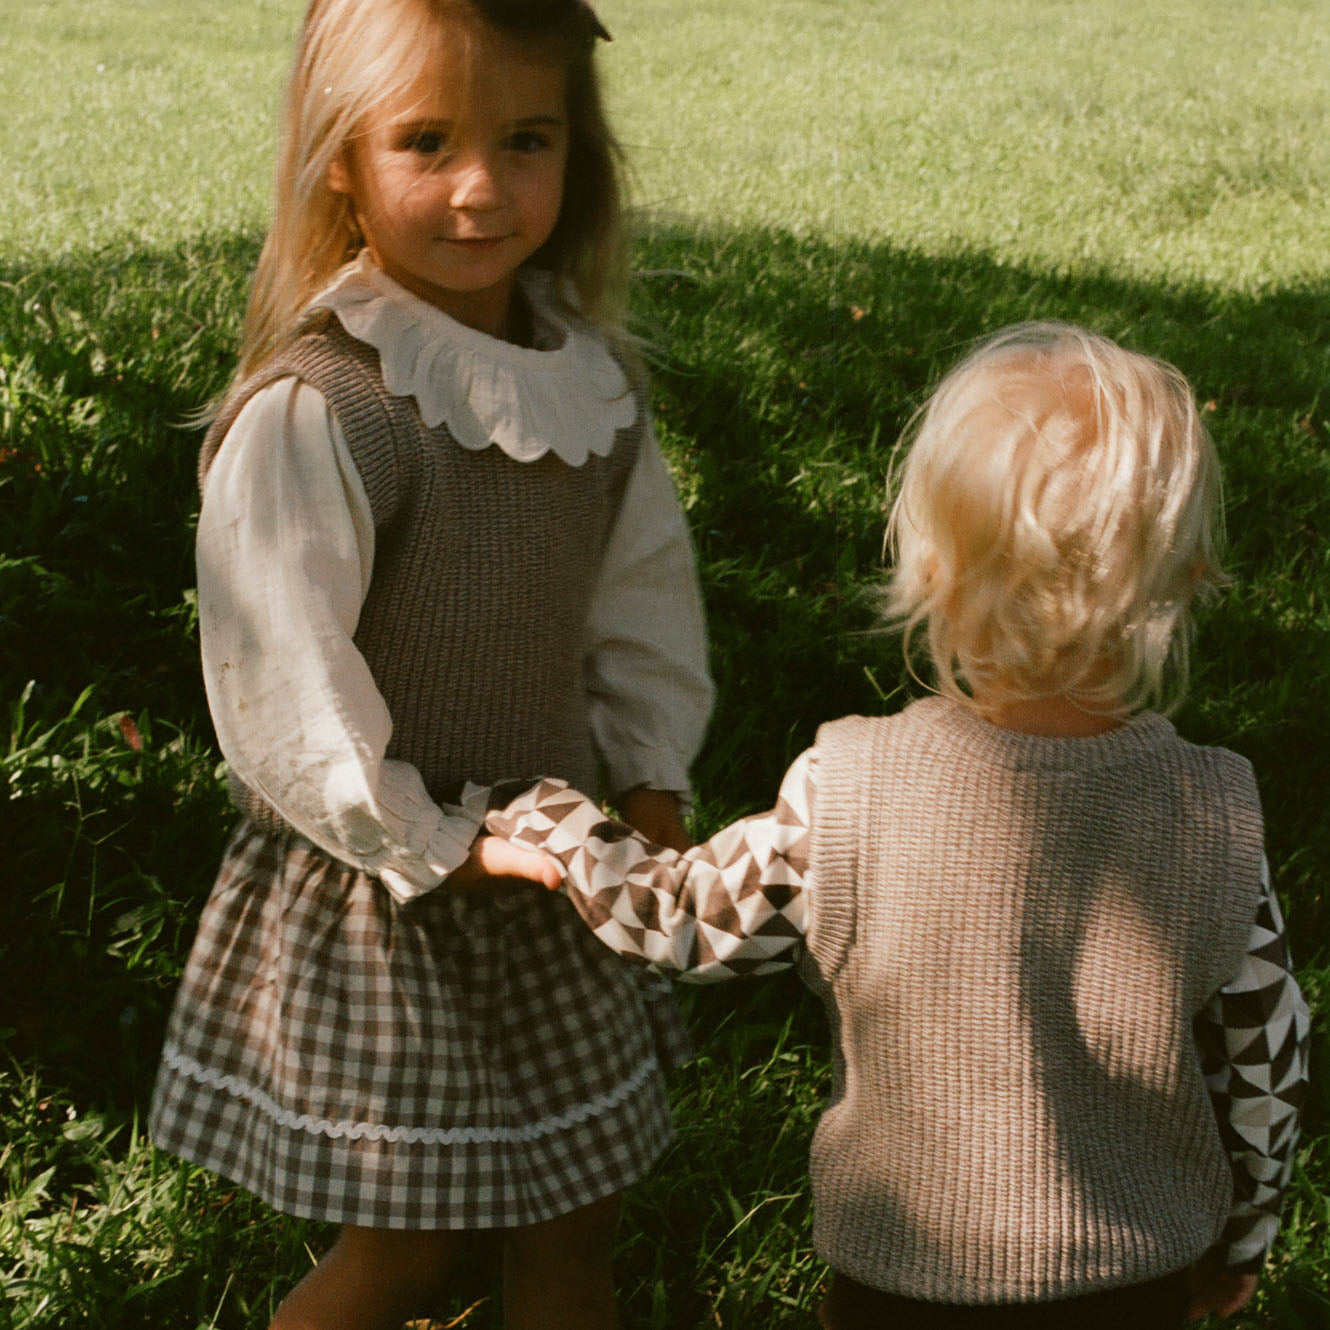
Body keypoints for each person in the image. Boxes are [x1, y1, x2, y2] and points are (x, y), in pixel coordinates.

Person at [465, 323, 1310, 1327]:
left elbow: (680, 920)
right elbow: (1265, 1065)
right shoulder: (1211, 812)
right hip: (1131, 1281)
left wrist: (548, 813)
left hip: (903, 1279)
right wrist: (1243, 1232)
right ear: (1187, 573)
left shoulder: (848, 790)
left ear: (930, 568)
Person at [148, 1, 712, 1327]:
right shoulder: (331, 401)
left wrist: (647, 778)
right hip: (390, 892)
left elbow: (637, 605)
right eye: (425, 142)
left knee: (577, 1223)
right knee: (406, 1250)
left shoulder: (591, 386)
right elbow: (280, 658)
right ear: (340, 158)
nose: (481, 188)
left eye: (526, 139)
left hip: (556, 876)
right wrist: (422, 830)